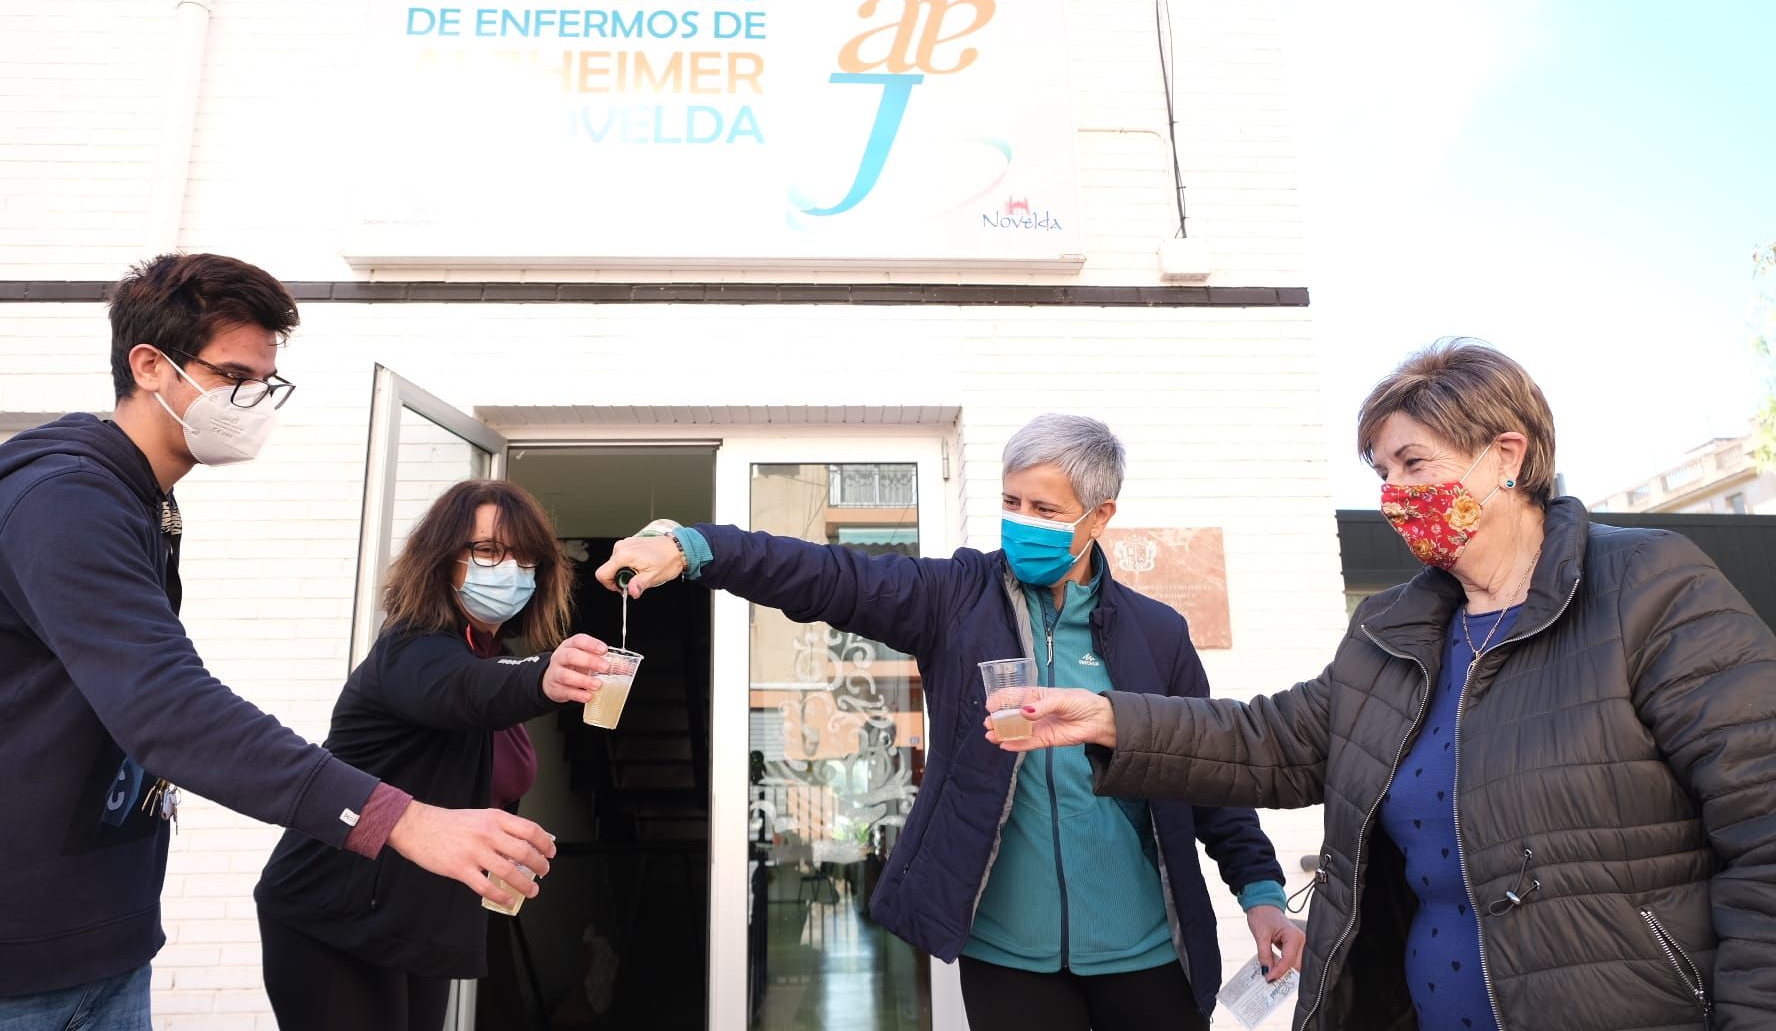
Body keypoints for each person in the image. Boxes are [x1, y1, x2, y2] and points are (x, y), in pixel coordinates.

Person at [996, 340, 1776, 1031]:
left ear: (1507, 455)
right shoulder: (1394, 626)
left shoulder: (1648, 585)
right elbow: (1271, 741)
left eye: (1414, 463)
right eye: (1381, 471)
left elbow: (1763, 825)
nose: (1394, 493)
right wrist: (1105, 719)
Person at [598, 414, 1305, 1031]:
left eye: (1046, 508)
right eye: (1011, 501)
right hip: (1007, 955)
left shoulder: (1157, 634)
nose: (1022, 518)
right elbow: (827, 575)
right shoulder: (954, 598)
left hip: (1147, 949)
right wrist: (696, 548)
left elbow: (1209, 771)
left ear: (1100, 515)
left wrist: (1262, 894)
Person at [0, 254, 557, 1029]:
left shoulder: (137, 505)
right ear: (150, 366)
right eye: (233, 377)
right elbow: (168, 709)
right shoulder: (66, 502)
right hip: (27, 966)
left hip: (96, 940)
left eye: (264, 383)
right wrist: (403, 818)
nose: (252, 403)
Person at [255, 479, 611, 1030]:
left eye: (526, 558)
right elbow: (466, 690)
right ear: (443, 560)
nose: (510, 570)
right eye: (490, 551)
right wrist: (546, 675)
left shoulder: (493, 655)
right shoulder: (412, 646)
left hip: (416, 925)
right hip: (332, 915)